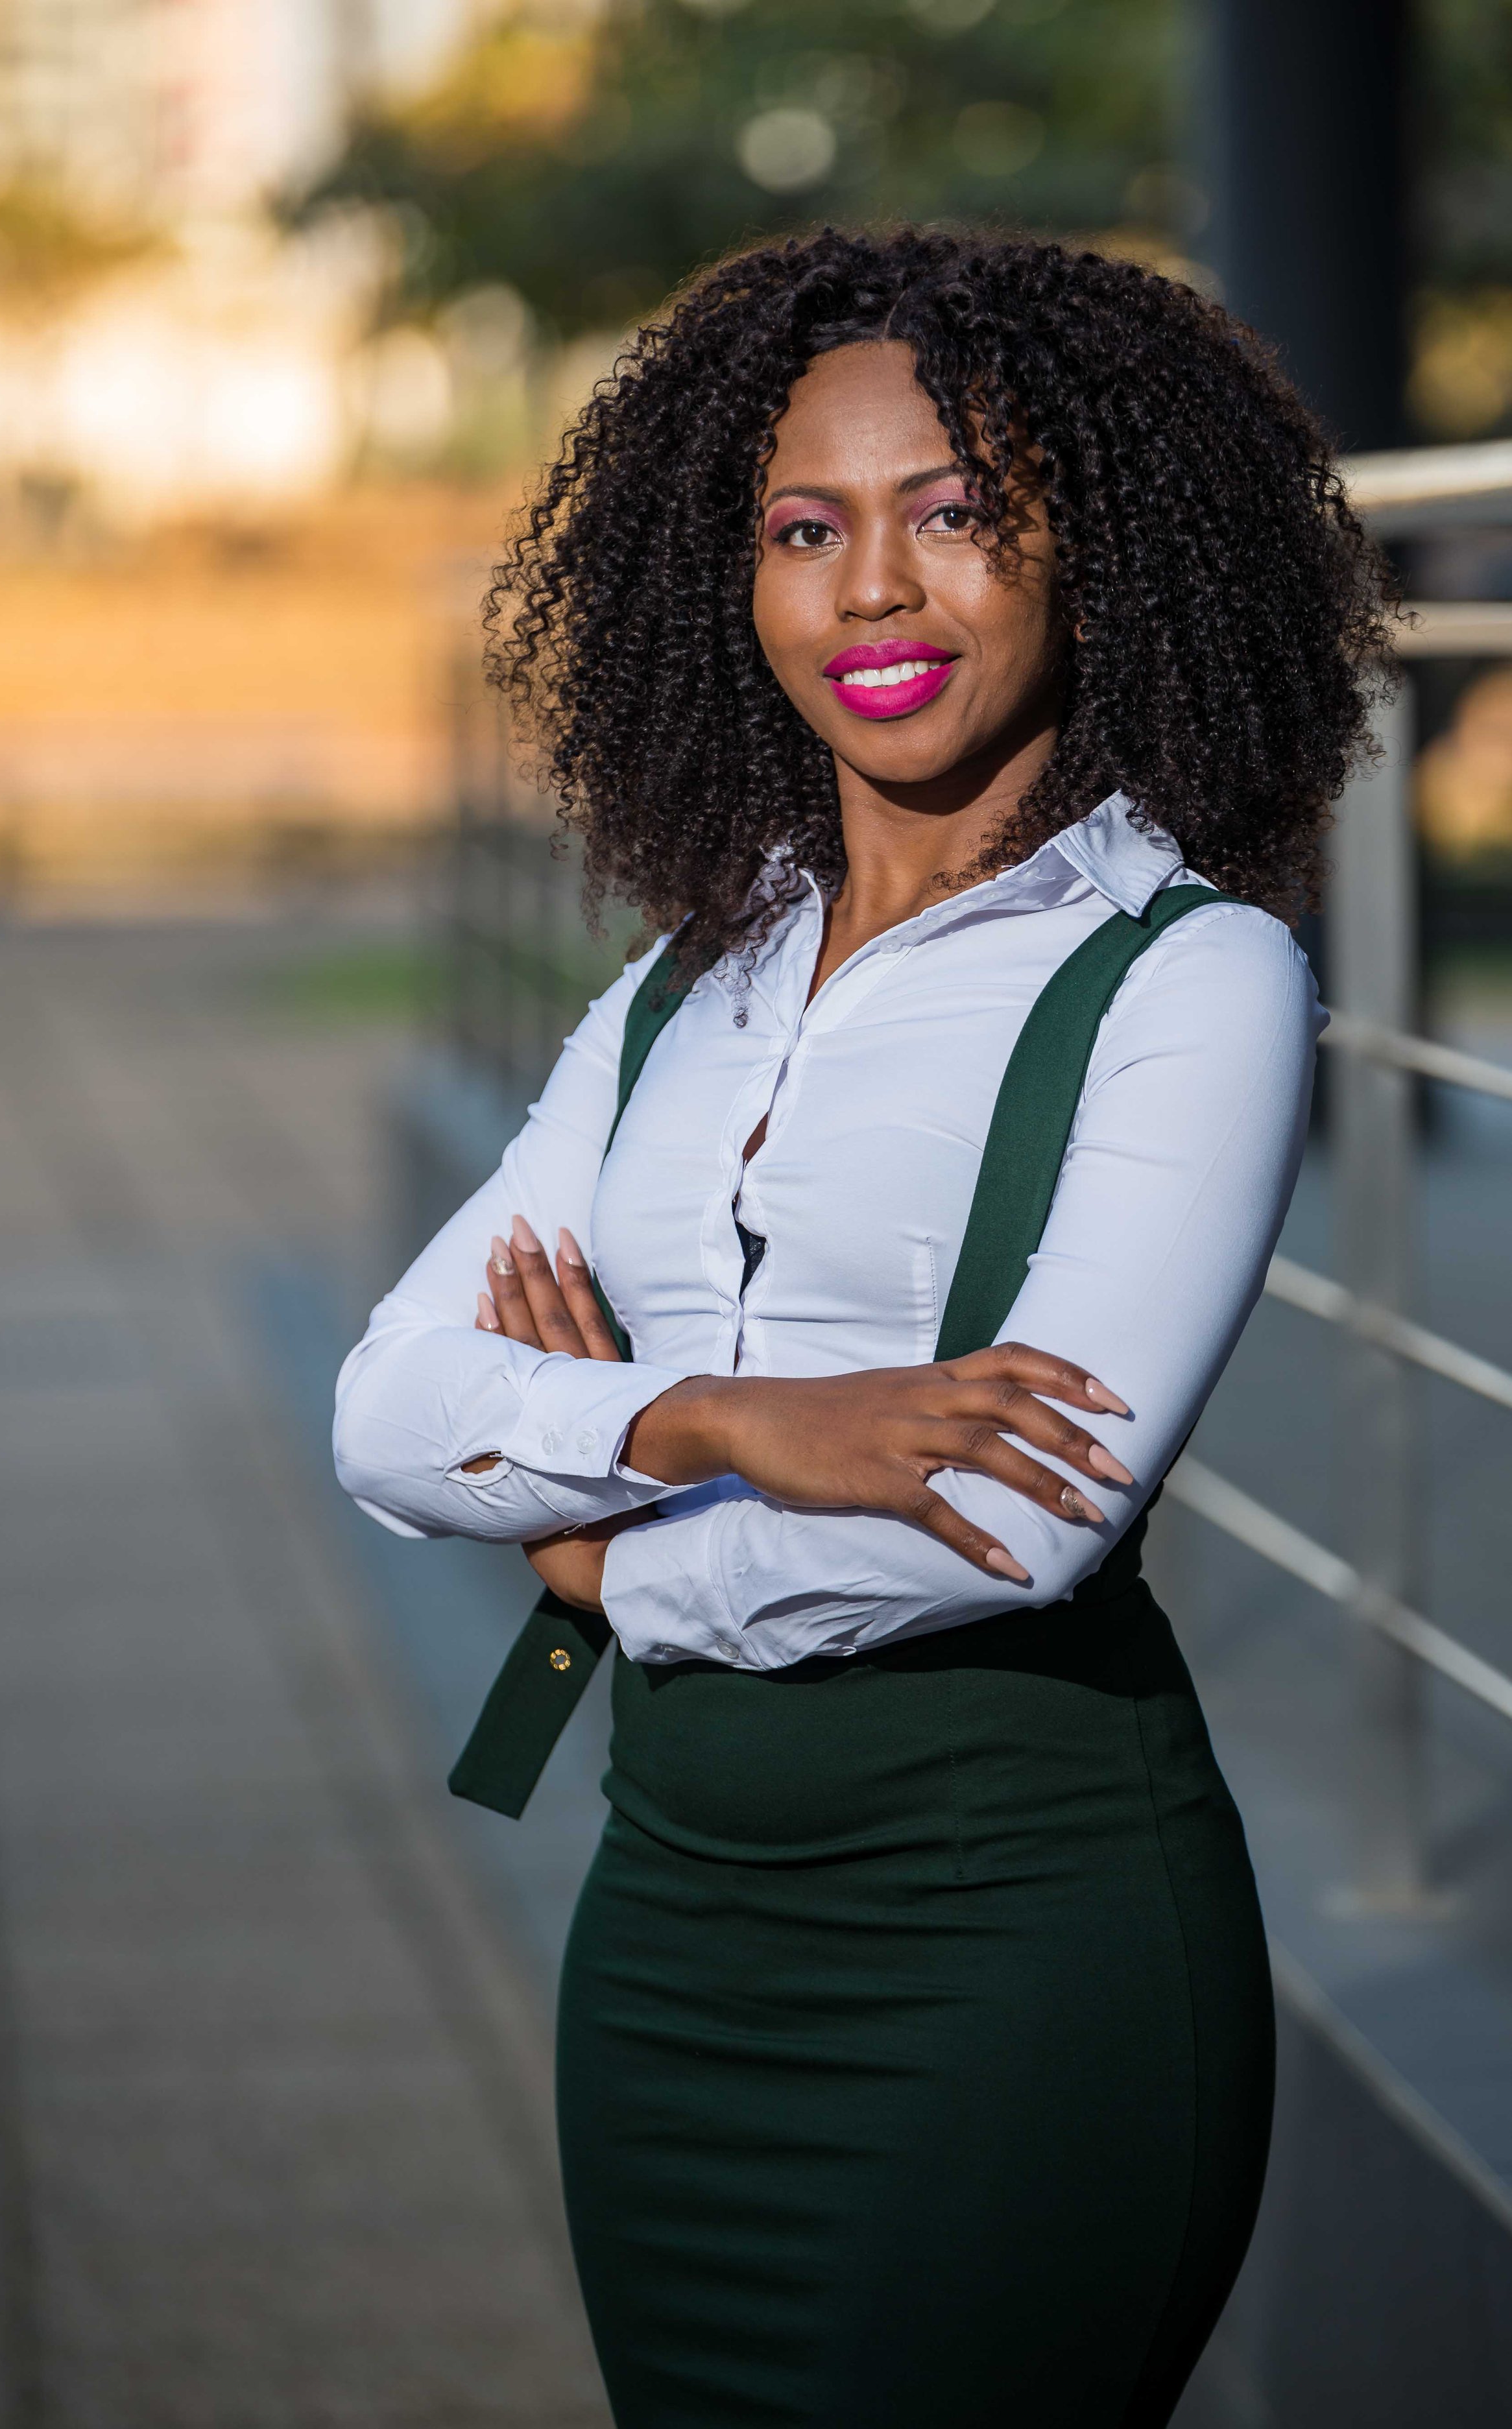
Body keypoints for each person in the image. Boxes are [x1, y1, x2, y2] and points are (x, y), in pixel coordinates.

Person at [333, 228, 1394, 2428]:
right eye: (804, 529)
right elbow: (389, 1408)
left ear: (1099, 557)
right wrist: (731, 1415)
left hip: (1011, 1937)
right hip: (669, 1929)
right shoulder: (673, 990)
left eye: (956, 512)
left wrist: (587, 1531)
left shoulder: (1186, 972)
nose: (872, 592)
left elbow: (1009, 1523)